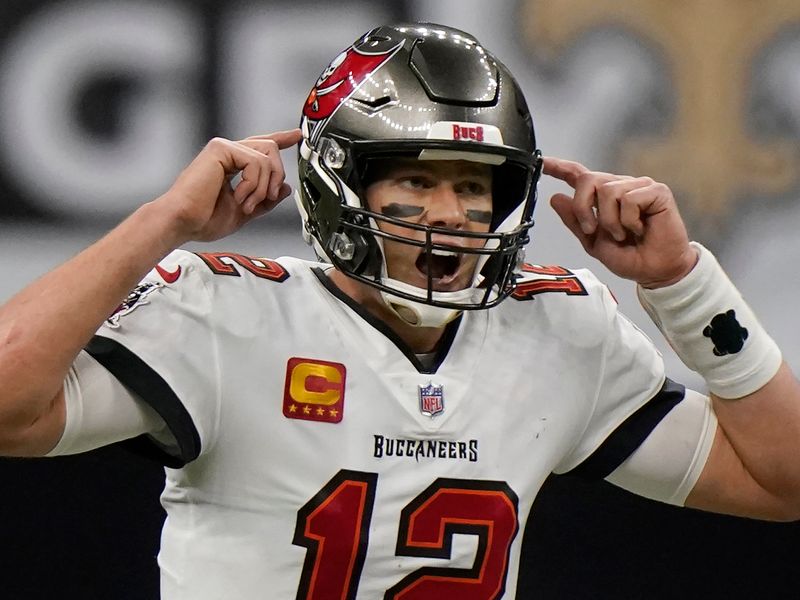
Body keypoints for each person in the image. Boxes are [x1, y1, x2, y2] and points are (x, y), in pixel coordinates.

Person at [0, 21, 799, 599]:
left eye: (473, 184)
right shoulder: (227, 311)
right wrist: (160, 222)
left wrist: (686, 283)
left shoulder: (555, 327)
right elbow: (8, 406)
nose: (450, 212)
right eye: (416, 180)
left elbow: (783, 481)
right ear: (340, 183)